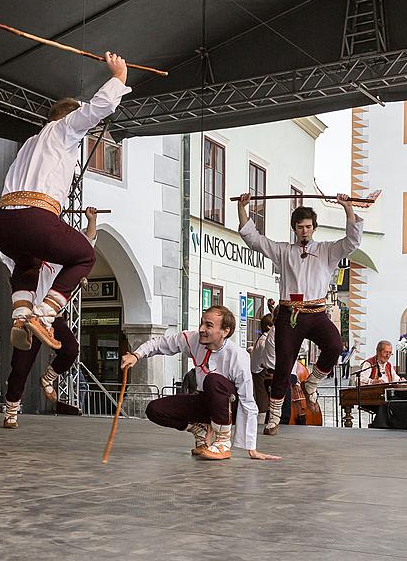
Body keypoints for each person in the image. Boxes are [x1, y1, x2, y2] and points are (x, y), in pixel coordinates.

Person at [0, 53, 131, 353]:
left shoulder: (31, 142)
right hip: (34, 218)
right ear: (69, 118)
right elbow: (98, 109)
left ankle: (21, 316)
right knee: (83, 255)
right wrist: (118, 77)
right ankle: (44, 314)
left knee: (26, 262)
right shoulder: (64, 130)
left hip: (3, 224)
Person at [237, 192, 363, 435]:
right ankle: (273, 418)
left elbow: (352, 241)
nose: (304, 231)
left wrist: (347, 208)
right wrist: (242, 209)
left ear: (314, 227)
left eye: (308, 226)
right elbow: (254, 239)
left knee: (335, 346)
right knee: (283, 365)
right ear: (294, 228)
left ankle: (312, 382)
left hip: (316, 313)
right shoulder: (284, 251)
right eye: (300, 227)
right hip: (289, 314)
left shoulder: (328, 250)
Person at [120, 306, 280, 461]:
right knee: (154, 409)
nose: (202, 329)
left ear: (225, 331)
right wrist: (136, 355)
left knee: (213, 380)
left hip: (230, 406)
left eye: (208, 325)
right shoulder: (193, 339)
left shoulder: (238, 356)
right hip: (206, 400)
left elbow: (247, 400)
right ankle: (201, 429)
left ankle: (223, 442)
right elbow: (161, 343)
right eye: (202, 323)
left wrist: (252, 448)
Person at [0, 206, 99, 428]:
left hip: (51, 316)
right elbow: (3, 248)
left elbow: (87, 245)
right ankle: (11, 410)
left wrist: (91, 220)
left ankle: (48, 379)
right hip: (28, 318)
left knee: (71, 349)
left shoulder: (58, 258)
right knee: (20, 366)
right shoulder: (21, 259)